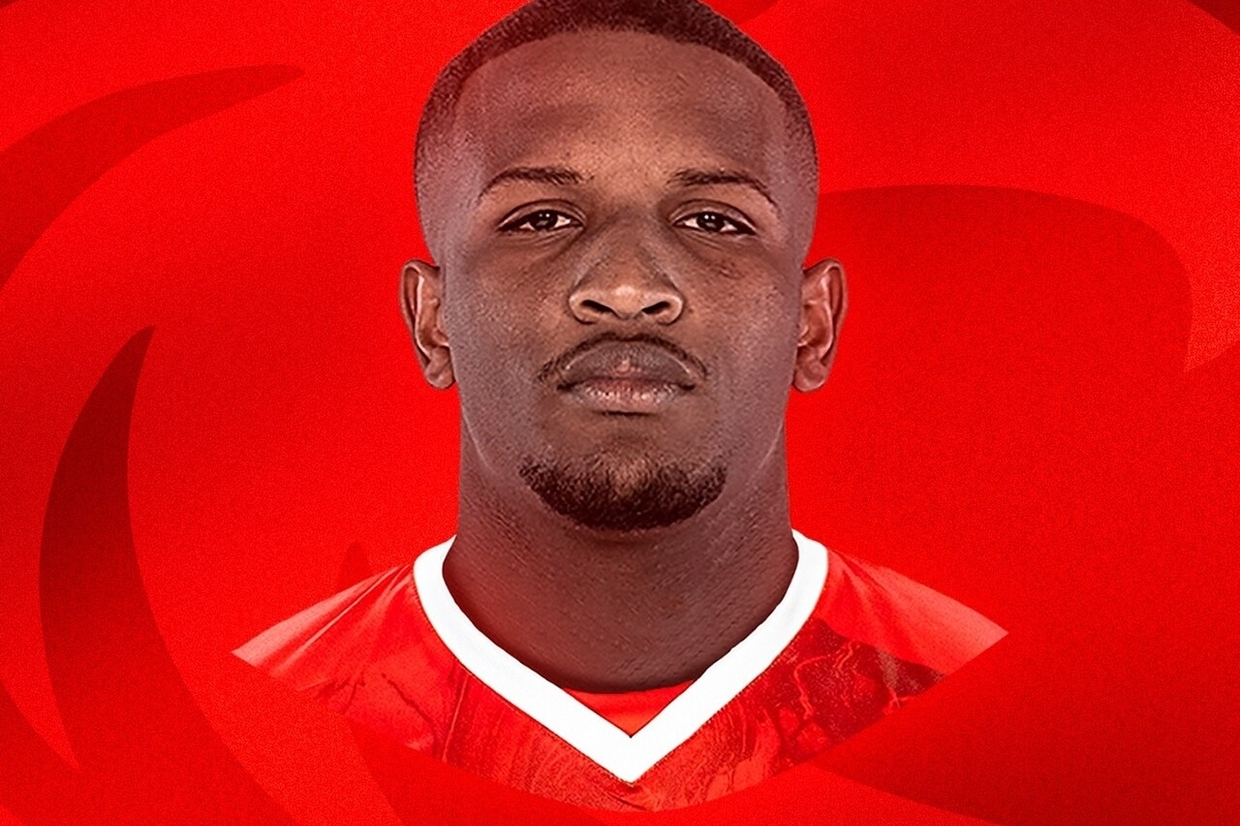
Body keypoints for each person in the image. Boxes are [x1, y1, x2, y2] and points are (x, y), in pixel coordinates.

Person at [236, 0, 1004, 810]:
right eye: (542, 219)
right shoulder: (259, 722)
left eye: (713, 221)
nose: (628, 288)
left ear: (813, 326)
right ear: (433, 321)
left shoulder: (996, 706)